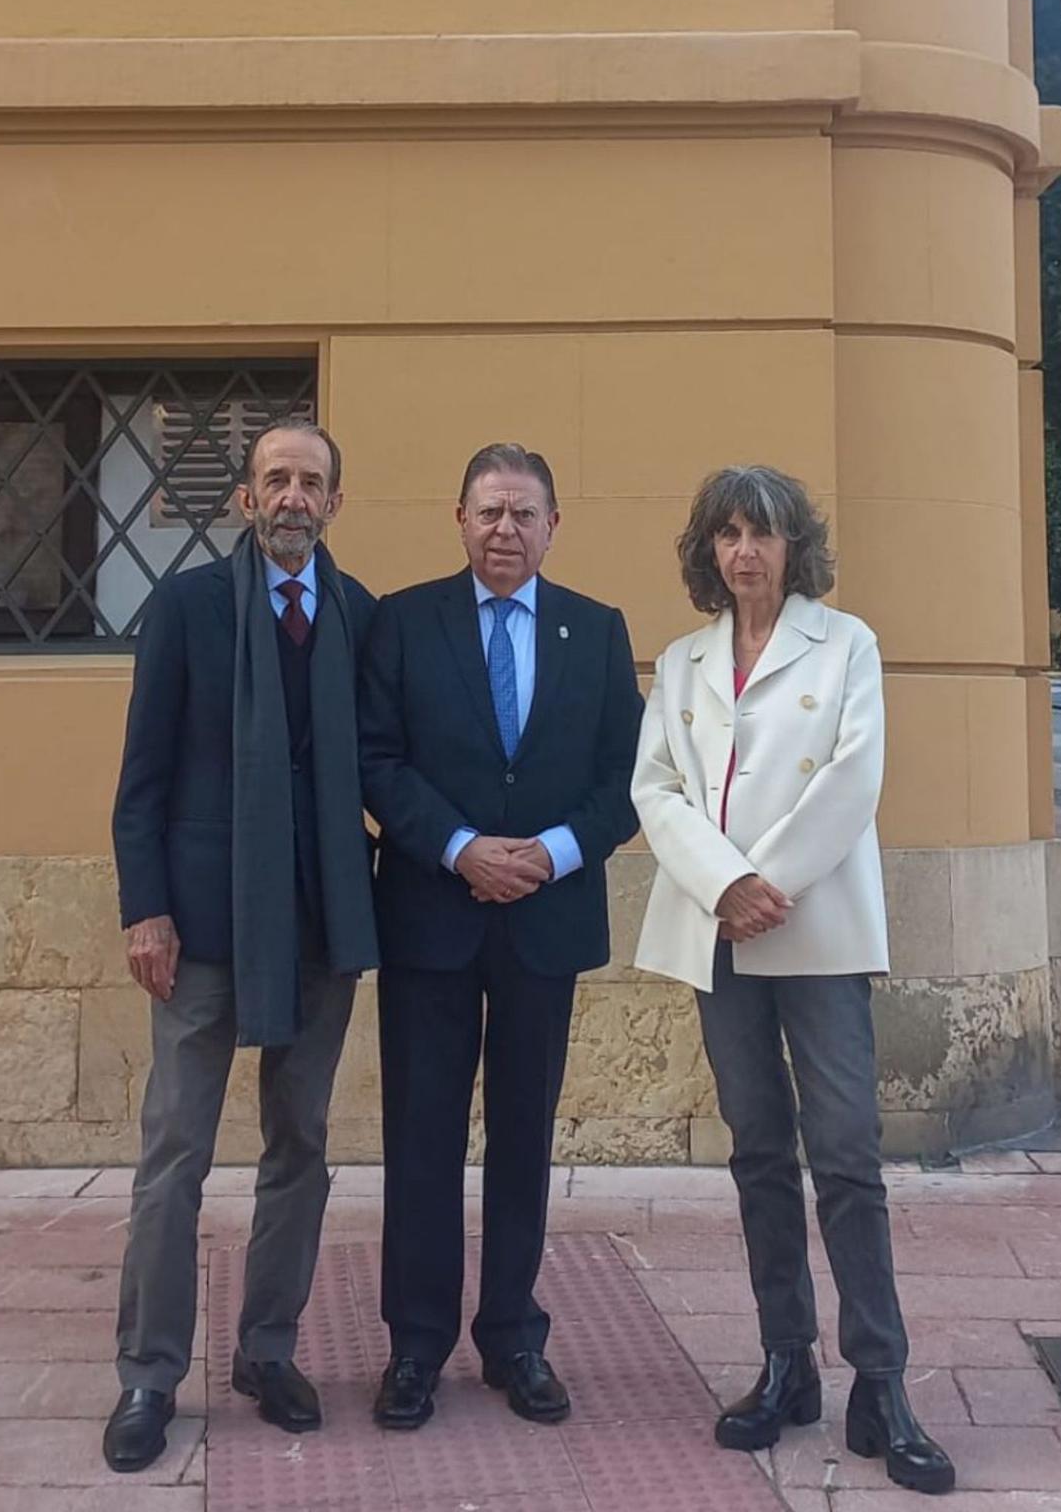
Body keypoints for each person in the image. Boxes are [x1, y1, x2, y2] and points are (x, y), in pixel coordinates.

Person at [631, 465, 955, 1497]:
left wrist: (767, 881)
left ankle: (883, 1380)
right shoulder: (681, 663)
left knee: (849, 1155)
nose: (745, 551)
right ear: (707, 551)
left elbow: (853, 777)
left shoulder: (845, 642)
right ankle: (786, 1363)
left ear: (792, 545)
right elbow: (658, 787)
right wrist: (726, 886)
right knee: (761, 1154)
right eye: (727, 533)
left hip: (816, 931)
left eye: (762, 533)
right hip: (718, 937)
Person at [104, 420, 379, 1474]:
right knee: (175, 1153)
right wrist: (147, 908)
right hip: (205, 929)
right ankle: (149, 1372)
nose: (294, 497)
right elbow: (143, 780)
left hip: (321, 928)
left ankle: (269, 1351)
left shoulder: (356, 616)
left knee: (300, 1146)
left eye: (312, 482)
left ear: (333, 502)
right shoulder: (184, 610)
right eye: (277, 480)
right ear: (247, 498)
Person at [360, 442, 643, 1432]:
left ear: (554, 525)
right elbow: (377, 761)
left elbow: (626, 779)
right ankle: (416, 1346)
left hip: (545, 924)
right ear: (459, 519)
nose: (505, 530)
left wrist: (553, 853)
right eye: (488, 512)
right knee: (422, 1140)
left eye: (524, 514)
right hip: (431, 921)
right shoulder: (401, 623)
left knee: (524, 1140)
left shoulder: (597, 632)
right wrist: (460, 847)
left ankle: (514, 1335)